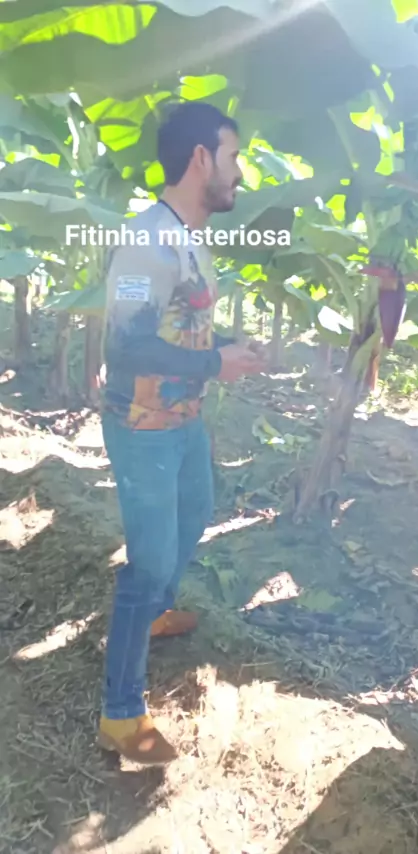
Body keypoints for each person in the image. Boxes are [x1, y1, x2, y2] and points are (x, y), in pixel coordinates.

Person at [97, 102, 266, 765]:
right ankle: (119, 714)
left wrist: (224, 348)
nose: (240, 172)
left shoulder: (188, 237)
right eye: (233, 156)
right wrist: (215, 364)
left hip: (183, 419)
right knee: (148, 564)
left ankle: (157, 612)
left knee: (197, 510)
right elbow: (127, 346)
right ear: (201, 159)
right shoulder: (147, 242)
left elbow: (181, 325)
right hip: (142, 428)